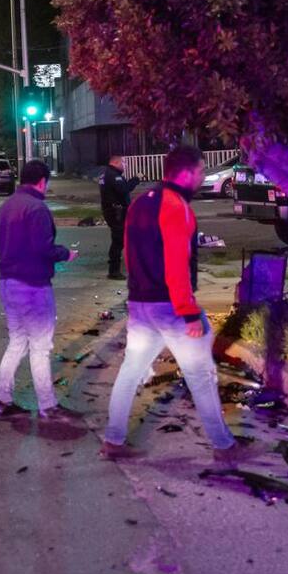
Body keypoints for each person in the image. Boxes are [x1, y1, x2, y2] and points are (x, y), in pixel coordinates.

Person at [102, 145, 249, 463]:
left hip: (141, 304)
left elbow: (129, 254)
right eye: (200, 171)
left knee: (130, 371)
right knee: (201, 375)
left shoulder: (141, 203)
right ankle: (224, 446)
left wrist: (135, 296)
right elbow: (176, 264)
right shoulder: (177, 206)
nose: (202, 177)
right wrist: (189, 312)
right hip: (170, 307)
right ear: (187, 172)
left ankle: (113, 439)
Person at [0, 159, 80, 420]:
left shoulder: (7, 206)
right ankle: (47, 405)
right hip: (32, 286)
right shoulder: (37, 208)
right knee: (40, 347)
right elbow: (43, 248)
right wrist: (66, 254)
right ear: (42, 181)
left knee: (17, 341)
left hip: (8, 283)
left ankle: (1, 399)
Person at [100, 155, 140, 280]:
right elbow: (124, 189)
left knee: (121, 239)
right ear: (116, 162)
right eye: (123, 162)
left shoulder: (106, 174)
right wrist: (136, 179)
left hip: (113, 211)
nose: (125, 165)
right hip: (116, 212)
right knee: (118, 240)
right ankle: (114, 271)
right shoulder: (113, 175)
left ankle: (117, 268)